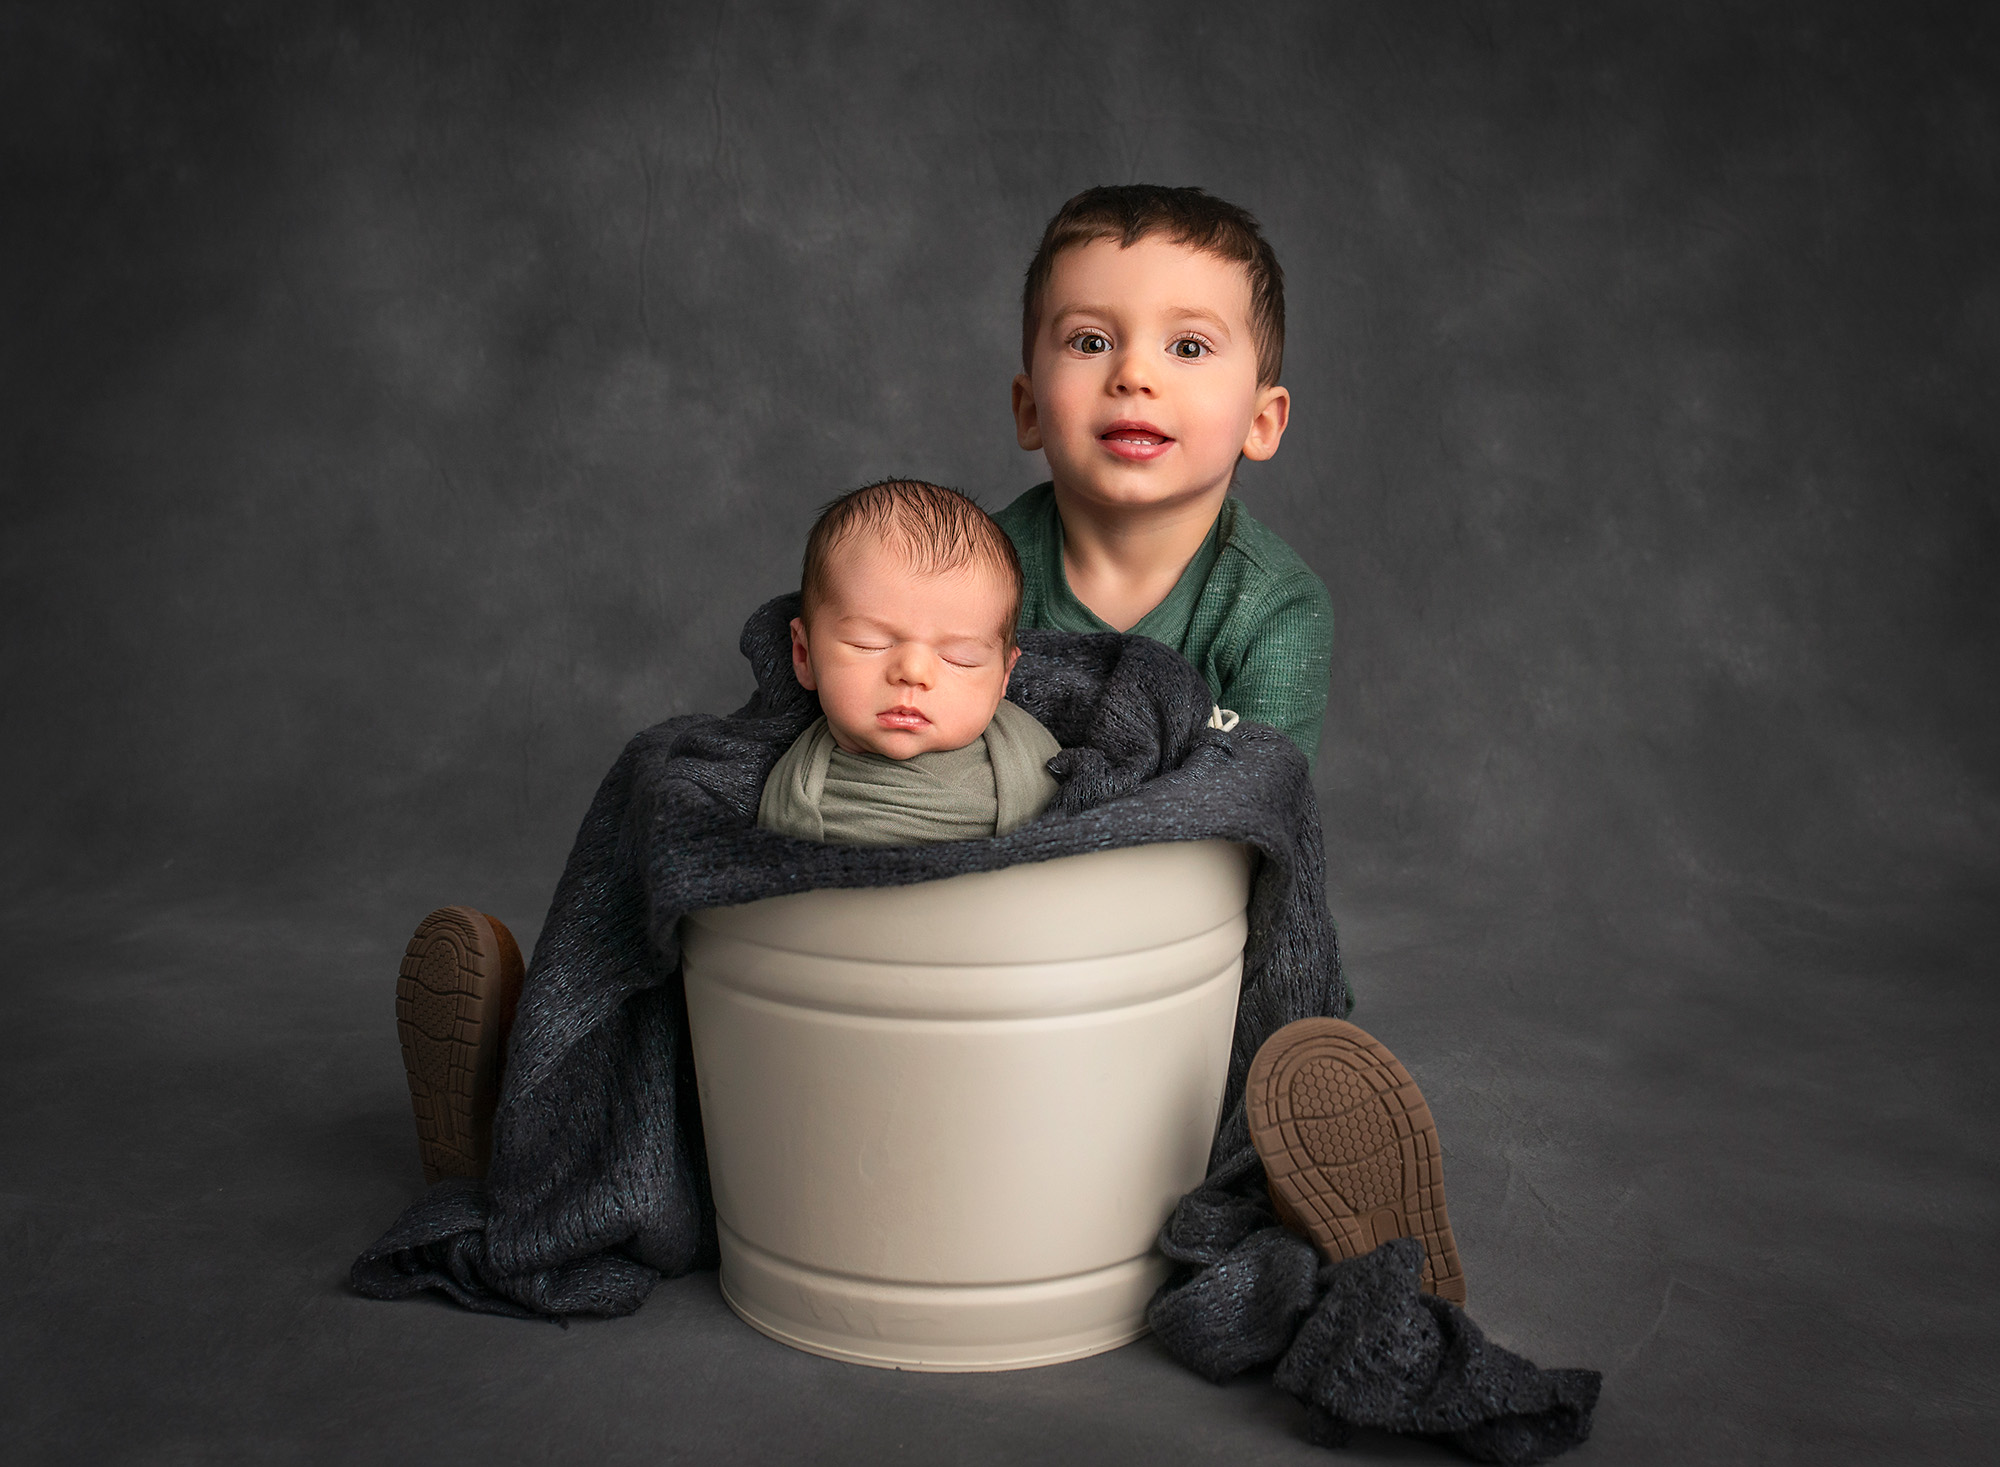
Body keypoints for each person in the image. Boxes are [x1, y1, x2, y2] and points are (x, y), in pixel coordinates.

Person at [999, 184, 1335, 763]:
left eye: (1188, 347)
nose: (1133, 374)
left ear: (1261, 422)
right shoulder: (966, 569)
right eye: (1091, 340)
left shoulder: (1272, 609)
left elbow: (1254, 815)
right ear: (1031, 411)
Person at [757, 479, 1061, 847]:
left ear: (1004, 677)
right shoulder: (793, 791)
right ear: (804, 655)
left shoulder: (1035, 759)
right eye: (868, 644)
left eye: (959, 659)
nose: (913, 673)